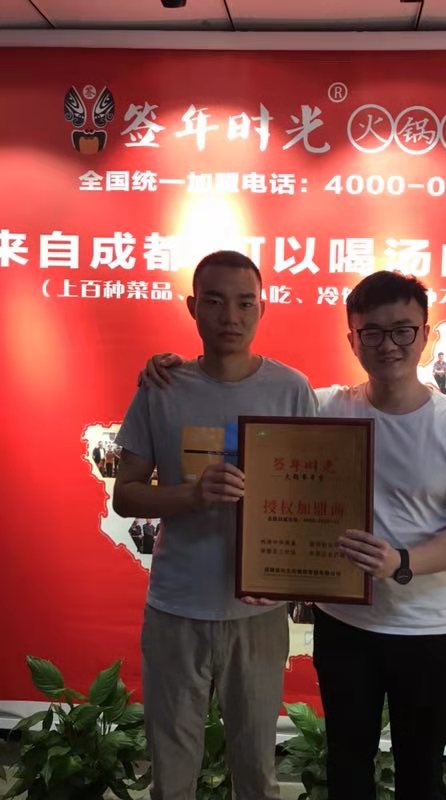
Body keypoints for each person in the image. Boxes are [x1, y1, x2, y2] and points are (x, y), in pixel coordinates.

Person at [143, 272, 446, 800]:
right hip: (346, 625)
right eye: (371, 332)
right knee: (347, 767)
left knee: (422, 773)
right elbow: (244, 400)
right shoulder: (326, 406)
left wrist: (400, 560)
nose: (388, 345)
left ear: (425, 334)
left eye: (402, 330)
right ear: (352, 340)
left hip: (428, 626)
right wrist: (180, 371)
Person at [113, 250, 317, 800]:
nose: (231, 315)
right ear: (192, 307)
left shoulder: (291, 389)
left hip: (257, 611)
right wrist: (191, 494)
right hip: (177, 607)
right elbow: (125, 495)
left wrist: (292, 577)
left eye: (245, 302)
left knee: (257, 772)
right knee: (172, 773)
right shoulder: (162, 386)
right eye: (215, 301)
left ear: (262, 308)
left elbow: (312, 497)